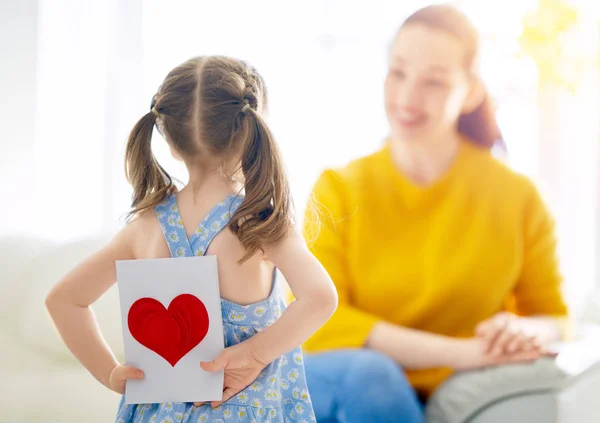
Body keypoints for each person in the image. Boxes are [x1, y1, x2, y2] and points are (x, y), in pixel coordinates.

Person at [301, 4, 569, 423]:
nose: (408, 98)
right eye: (398, 72)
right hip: (344, 379)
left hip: (441, 387)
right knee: (372, 376)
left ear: (472, 92)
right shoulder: (338, 187)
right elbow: (320, 321)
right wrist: (462, 353)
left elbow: (552, 315)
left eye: (435, 82)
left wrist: (525, 331)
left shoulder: (518, 196)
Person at [46, 56, 338, 423]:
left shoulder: (145, 227)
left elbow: (63, 300)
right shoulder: (259, 223)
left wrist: (109, 372)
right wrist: (255, 354)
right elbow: (321, 298)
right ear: (249, 130)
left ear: (168, 139)